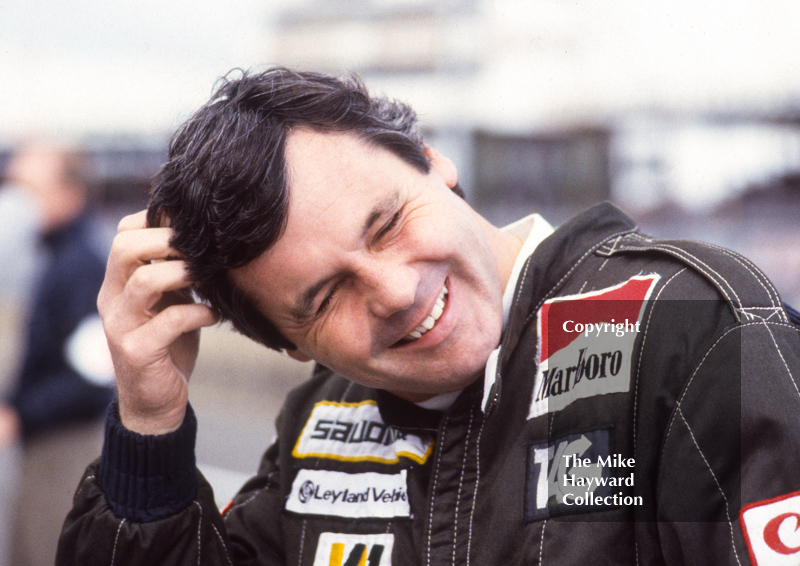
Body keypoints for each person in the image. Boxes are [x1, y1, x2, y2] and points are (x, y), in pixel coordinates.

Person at [58, 68, 800, 565]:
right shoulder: (320, 419)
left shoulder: (687, 328)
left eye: (385, 223)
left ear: (431, 161)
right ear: (289, 346)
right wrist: (147, 427)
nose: (394, 289)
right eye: (323, 299)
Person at [1, 144, 116, 566]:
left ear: (70, 194)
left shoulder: (80, 264)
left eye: (29, 189)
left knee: (46, 550)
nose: (18, 202)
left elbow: (91, 374)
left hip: (65, 444)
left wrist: (20, 412)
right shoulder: (58, 256)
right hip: (49, 438)